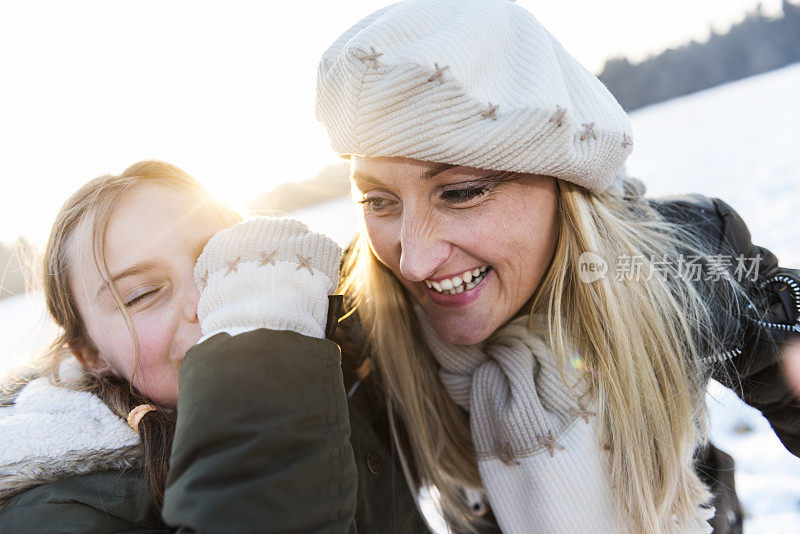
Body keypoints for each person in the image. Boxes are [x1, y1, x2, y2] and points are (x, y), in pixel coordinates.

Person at [314, 0, 800, 532]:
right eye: (379, 202)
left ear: (563, 183)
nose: (413, 260)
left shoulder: (678, 268)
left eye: (460, 192)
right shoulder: (357, 333)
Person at [0, 160, 381, 532]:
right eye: (141, 294)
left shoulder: (337, 354)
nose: (202, 300)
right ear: (91, 356)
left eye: (221, 262)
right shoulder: (52, 514)